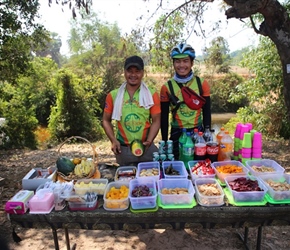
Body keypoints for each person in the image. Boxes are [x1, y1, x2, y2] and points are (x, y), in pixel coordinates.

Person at [102, 55, 161, 166]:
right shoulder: (113, 95)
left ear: (143, 73)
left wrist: (149, 141)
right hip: (123, 149)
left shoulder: (152, 94)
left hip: (146, 147)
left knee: (151, 176)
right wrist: (113, 141)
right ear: (124, 72)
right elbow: (106, 120)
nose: (133, 75)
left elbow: (156, 120)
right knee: (125, 180)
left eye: (137, 71)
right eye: (130, 71)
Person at [160, 43, 211, 160]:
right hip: (177, 132)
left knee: (198, 164)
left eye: (185, 61)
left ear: (192, 63)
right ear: (173, 63)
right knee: (177, 165)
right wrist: (164, 141)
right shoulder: (167, 87)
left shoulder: (201, 84)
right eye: (177, 61)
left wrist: (208, 132)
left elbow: (207, 110)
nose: (181, 65)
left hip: (198, 131)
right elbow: (164, 116)